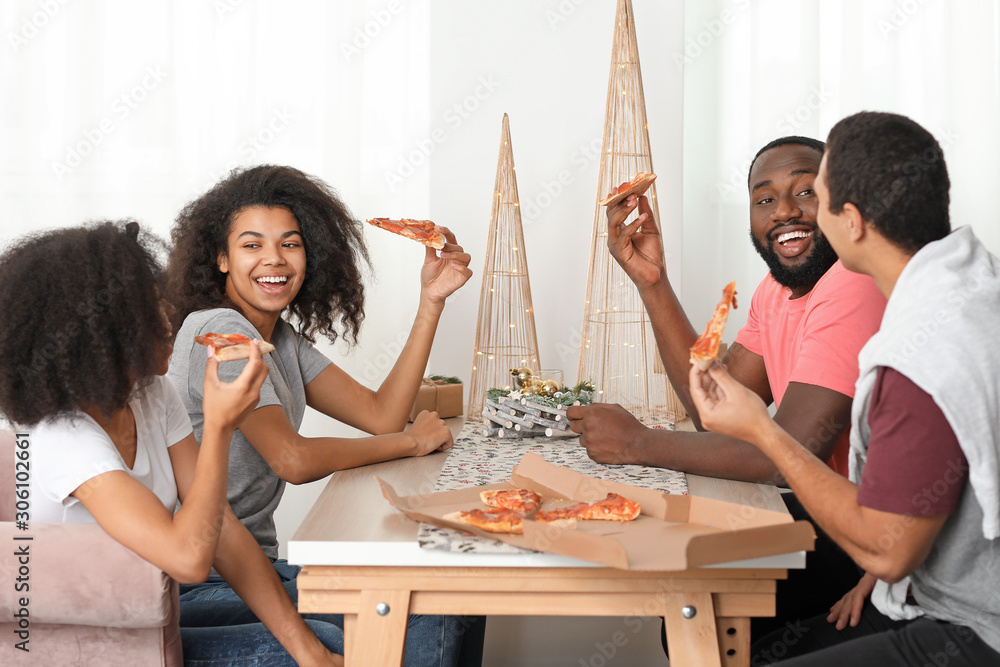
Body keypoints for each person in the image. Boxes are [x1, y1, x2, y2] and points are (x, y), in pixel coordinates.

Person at [691, 111, 1000, 665]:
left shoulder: (917, 354)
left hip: (975, 628)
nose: (792, 214)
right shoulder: (973, 286)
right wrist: (896, 574)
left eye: (816, 196)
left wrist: (761, 429)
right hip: (921, 584)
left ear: (850, 222)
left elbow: (886, 548)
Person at [569, 137, 887, 639]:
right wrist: (653, 282)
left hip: (873, 535)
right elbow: (712, 408)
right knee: (682, 586)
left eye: (805, 191)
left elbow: (790, 451)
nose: (783, 211)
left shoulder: (853, 283)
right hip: (831, 515)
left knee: (698, 611)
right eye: (764, 199)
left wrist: (639, 444)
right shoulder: (775, 290)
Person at [166, 165, 481, 666]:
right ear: (221, 259)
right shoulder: (219, 332)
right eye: (252, 245)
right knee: (422, 608)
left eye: (290, 244)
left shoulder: (280, 339)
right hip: (197, 585)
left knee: (447, 592)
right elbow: (292, 459)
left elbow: (379, 415)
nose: (274, 259)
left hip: (256, 569)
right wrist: (412, 442)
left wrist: (431, 301)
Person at [0, 221, 346, 665]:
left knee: (335, 624)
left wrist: (308, 651)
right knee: (332, 638)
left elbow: (218, 526)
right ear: (101, 334)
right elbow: (188, 560)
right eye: (150, 308)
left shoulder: (150, 393)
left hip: (153, 616)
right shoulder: (67, 438)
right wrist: (220, 427)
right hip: (95, 648)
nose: (169, 317)